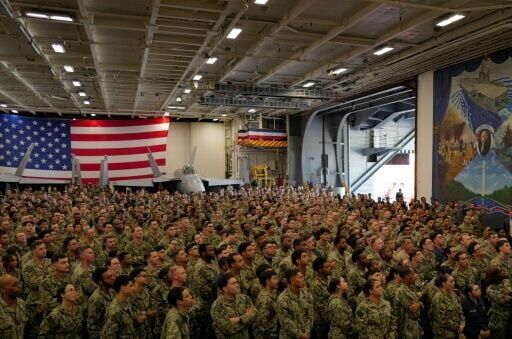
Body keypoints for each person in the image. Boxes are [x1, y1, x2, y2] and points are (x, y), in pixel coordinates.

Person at [210, 272, 255, 339]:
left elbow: (254, 316)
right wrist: (246, 319)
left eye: (237, 282)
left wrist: (239, 319)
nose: (237, 285)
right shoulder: (217, 306)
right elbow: (227, 328)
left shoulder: (245, 299)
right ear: (225, 288)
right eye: (233, 284)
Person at [276, 269, 314, 339]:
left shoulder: (306, 294)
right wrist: (300, 335)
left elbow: (310, 315)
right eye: (300, 277)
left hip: (306, 335)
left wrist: (307, 331)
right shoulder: (282, 299)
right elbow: (285, 322)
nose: (303, 279)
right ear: (292, 281)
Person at [429, 274, 465, 339]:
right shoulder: (438, 298)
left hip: (455, 332)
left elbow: (460, 310)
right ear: (443, 284)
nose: (454, 283)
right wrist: (458, 327)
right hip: (443, 334)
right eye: (451, 281)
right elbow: (442, 319)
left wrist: (462, 323)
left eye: (454, 281)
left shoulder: (453, 294)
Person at [395, 266, 423, 339]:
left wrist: (418, 304)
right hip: (406, 329)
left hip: (413, 327)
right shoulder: (402, 291)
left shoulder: (410, 288)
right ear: (406, 276)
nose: (415, 276)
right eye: (413, 274)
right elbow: (413, 311)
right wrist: (419, 303)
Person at [87, 267, 115, 339]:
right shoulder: (96, 299)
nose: (112, 278)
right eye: (108, 277)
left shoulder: (112, 291)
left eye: (112, 275)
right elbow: (92, 326)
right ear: (100, 281)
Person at [485, 266, 512, 339]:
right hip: (499, 318)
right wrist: (509, 294)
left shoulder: (506, 281)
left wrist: (509, 293)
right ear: (495, 276)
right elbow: (504, 300)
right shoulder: (490, 289)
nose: (503, 272)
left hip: (509, 315)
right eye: (500, 272)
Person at [253, 269, 278, 339]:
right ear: (267, 281)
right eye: (274, 279)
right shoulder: (265, 298)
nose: (277, 281)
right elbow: (261, 322)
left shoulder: (272, 293)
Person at [0, 274, 27, 338]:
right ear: (3, 290)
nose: (20, 286)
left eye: (19, 283)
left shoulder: (21, 303)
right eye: (15, 285)